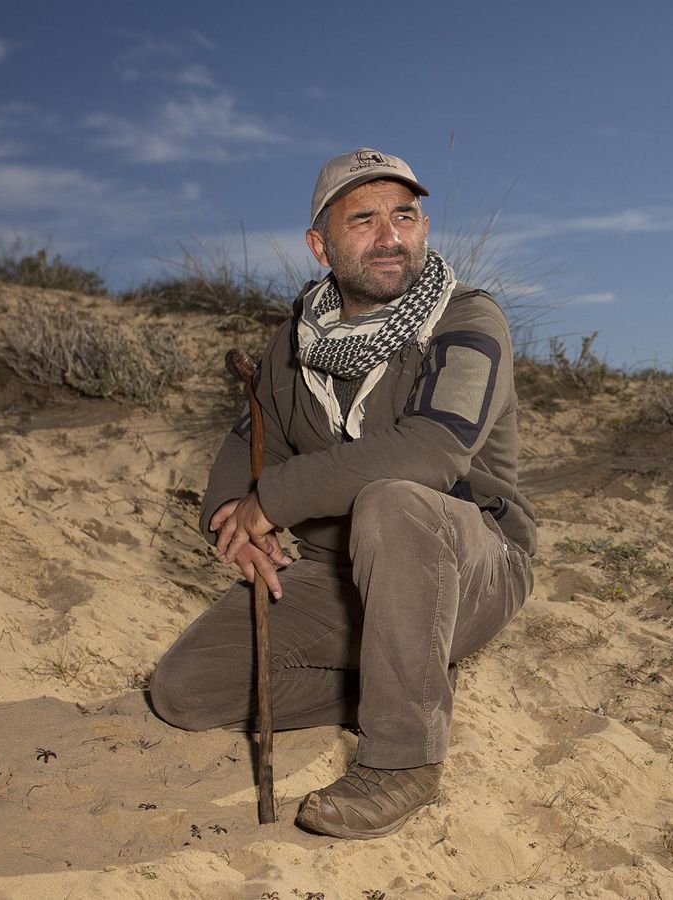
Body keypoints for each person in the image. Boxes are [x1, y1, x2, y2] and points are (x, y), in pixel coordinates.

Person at [148, 148, 537, 840]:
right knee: (186, 689)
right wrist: (227, 512)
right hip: (338, 575)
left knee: (396, 499)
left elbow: (434, 450)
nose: (391, 236)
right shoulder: (293, 342)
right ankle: (401, 679)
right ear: (319, 244)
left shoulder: (469, 321)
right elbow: (248, 435)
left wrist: (276, 499)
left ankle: (402, 761)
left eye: (405, 216)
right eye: (364, 220)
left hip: (469, 565)